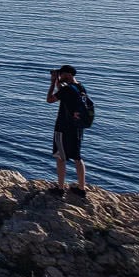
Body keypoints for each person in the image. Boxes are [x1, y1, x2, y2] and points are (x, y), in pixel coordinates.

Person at [46, 64, 87, 197]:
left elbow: (50, 99)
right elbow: (62, 91)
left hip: (63, 128)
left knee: (60, 157)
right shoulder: (80, 87)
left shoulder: (67, 90)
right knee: (77, 157)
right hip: (77, 128)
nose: (60, 77)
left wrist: (52, 83)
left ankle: (60, 188)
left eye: (61, 74)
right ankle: (81, 189)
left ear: (67, 74)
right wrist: (58, 80)